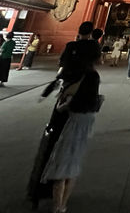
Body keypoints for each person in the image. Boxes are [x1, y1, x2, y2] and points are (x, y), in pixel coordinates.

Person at [28, 21, 101, 209]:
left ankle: (40, 189)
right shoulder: (92, 72)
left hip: (64, 99)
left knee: (52, 143)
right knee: (72, 151)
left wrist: (51, 89)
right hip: (81, 109)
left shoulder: (70, 48)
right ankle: (60, 201)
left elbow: (61, 69)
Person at [41, 55, 102, 213]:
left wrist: (63, 104)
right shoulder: (93, 76)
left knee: (61, 166)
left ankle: (57, 206)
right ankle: (63, 205)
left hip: (71, 124)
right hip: (85, 124)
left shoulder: (76, 77)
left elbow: (66, 104)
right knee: (73, 166)